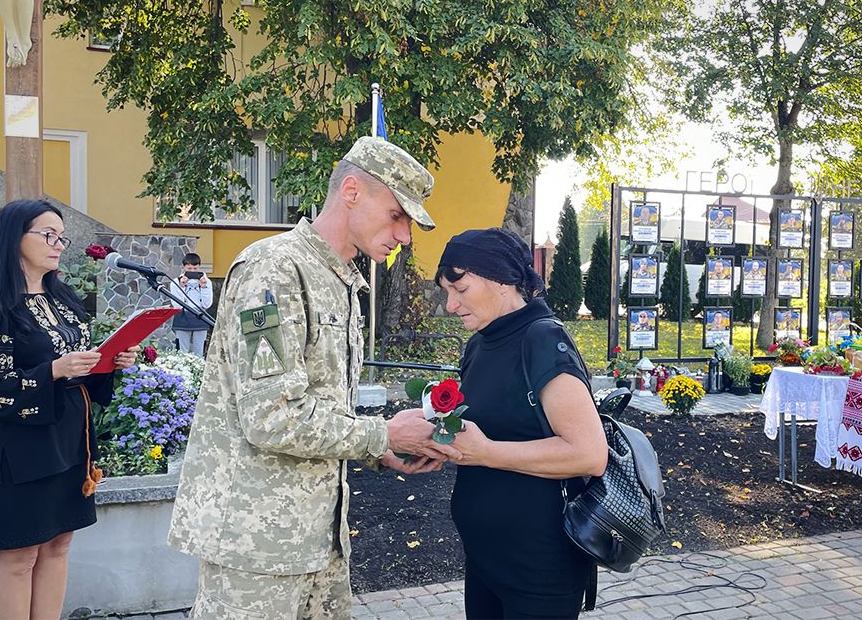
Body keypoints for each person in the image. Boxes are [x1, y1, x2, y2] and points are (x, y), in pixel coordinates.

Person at [167, 137, 460, 619]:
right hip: (256, 544)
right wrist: (382, 431)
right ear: (351, 191)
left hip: (318, 537)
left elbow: (319, 405)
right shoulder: (273, 270)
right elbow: (272, 417)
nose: (405, 235)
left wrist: (379, 449)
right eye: (397, 215)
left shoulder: (340, 278)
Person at [0, 200, 138, 620]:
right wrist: (52, 370)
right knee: (19, 557)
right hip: (15, 444)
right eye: (47, 235)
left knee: (58, 546)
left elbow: (76, 371)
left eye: (61, 236)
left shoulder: (62, 297)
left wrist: (108, 362)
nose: (57, 244)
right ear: (14, 237)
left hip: (67, 440)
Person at [435, 228, 608, 619]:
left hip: (538, 570)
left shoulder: (542, 340)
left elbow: (589, 454)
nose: (450, 305)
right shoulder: (480, 343)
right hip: (485, 559)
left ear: (502, 279)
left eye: (460, 290)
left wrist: (488, 453)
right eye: (447, 292)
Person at [170, 252, 213, 356]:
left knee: (199, 353)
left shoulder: (206, 282)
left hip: (200, 318)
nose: (192, 271)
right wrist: (182, 287)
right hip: (182, 317)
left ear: (199, 267)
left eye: (195, 269)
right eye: (189, 269)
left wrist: (203, 287)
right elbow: (177, 305)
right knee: (181, 353)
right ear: (183, 267)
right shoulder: (175, 282)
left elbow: (207, 304)